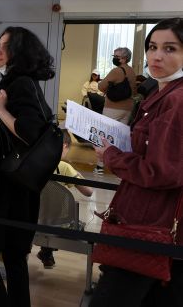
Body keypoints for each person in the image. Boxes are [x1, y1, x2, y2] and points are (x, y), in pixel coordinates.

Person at [90, 18, 183, 307]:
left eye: (170, 48)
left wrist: (111, 156)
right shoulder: (163, 92)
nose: (157, 56)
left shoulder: (176, 100)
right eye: (153, 47)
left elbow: (160, 172)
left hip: (150, 224)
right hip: (152, 220)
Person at [0, 26, 55, 307]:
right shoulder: (21, 82)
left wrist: (0, 109)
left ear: (21, 51)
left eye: (6, 46)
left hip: (3, 185)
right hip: (15, 184)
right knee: (14, 257)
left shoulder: (21, 83)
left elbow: (30, 132)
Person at [37, 131, 93, 269]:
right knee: (73, 223)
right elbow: (88, 192)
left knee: (47, 215)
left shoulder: (36, 163)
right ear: (64, 146)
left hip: (34, 217)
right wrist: (77, 174)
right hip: (60, 222)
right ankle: (46, 252)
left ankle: (46, 252)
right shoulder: (65, 167)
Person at [98, 47, 137, 125]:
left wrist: (108, 89)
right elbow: (133, 90)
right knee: (120, 132)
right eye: (114, 56)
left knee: (106, 131)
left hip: (113, 108)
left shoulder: (116, 71)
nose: (114, 58)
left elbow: (101, 86)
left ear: (124, 58)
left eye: (116, 56)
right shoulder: (132, 71)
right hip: (128, 108)